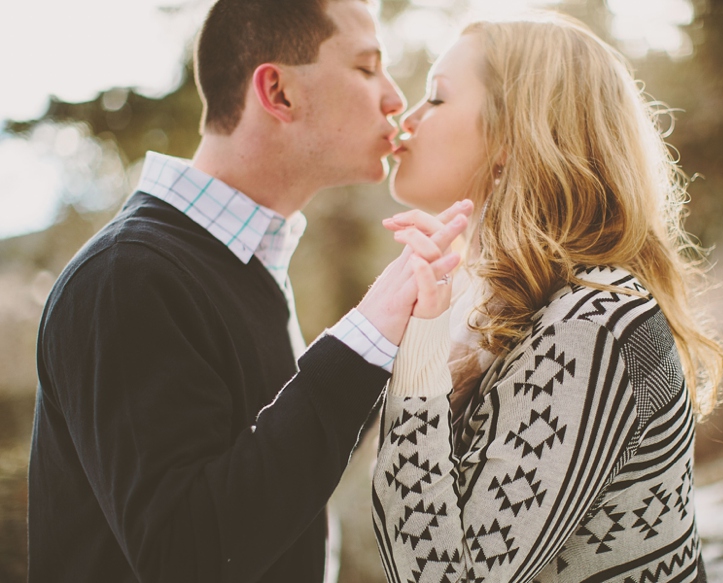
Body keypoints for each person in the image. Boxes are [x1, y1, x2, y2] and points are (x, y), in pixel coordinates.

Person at [27, 0, 472, 581]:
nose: (396, 99)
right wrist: (366, 333)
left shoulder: (240, 261)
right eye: (366, 68)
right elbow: (185, 555)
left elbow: (276, 461)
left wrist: (406, 337)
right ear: (278, 92)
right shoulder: (129, 275)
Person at [371, 14, 723, 583]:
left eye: (435, 98)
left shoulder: (594, 322)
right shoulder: (494, 305)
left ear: (513, 136)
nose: (405, 121)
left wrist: (418, 366)